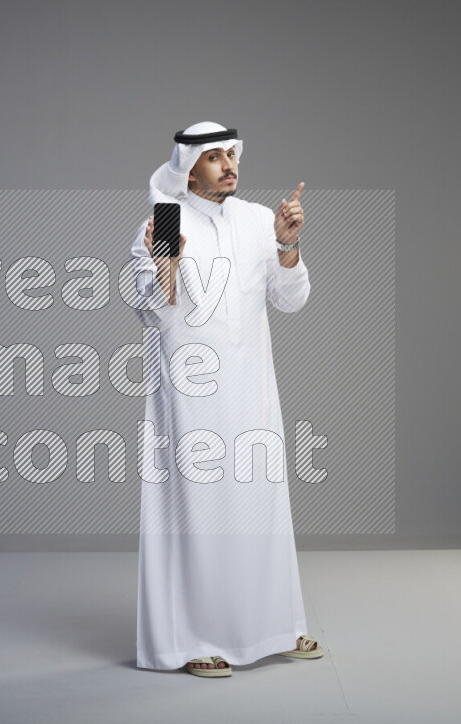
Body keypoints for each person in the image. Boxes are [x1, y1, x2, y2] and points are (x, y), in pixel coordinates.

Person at [127, 121, 323, 677]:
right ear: (188, 168)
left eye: (230, 154)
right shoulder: (164, 220)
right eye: (213, 157)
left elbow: (291, 299)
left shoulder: (261, 220)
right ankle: (194, 640)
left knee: (260, 508)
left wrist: (288, 243)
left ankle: (276, 628)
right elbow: (154, 314)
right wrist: (166, 261)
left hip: (253, 389)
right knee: (199, 513)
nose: (228, 164)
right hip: (190, 397)